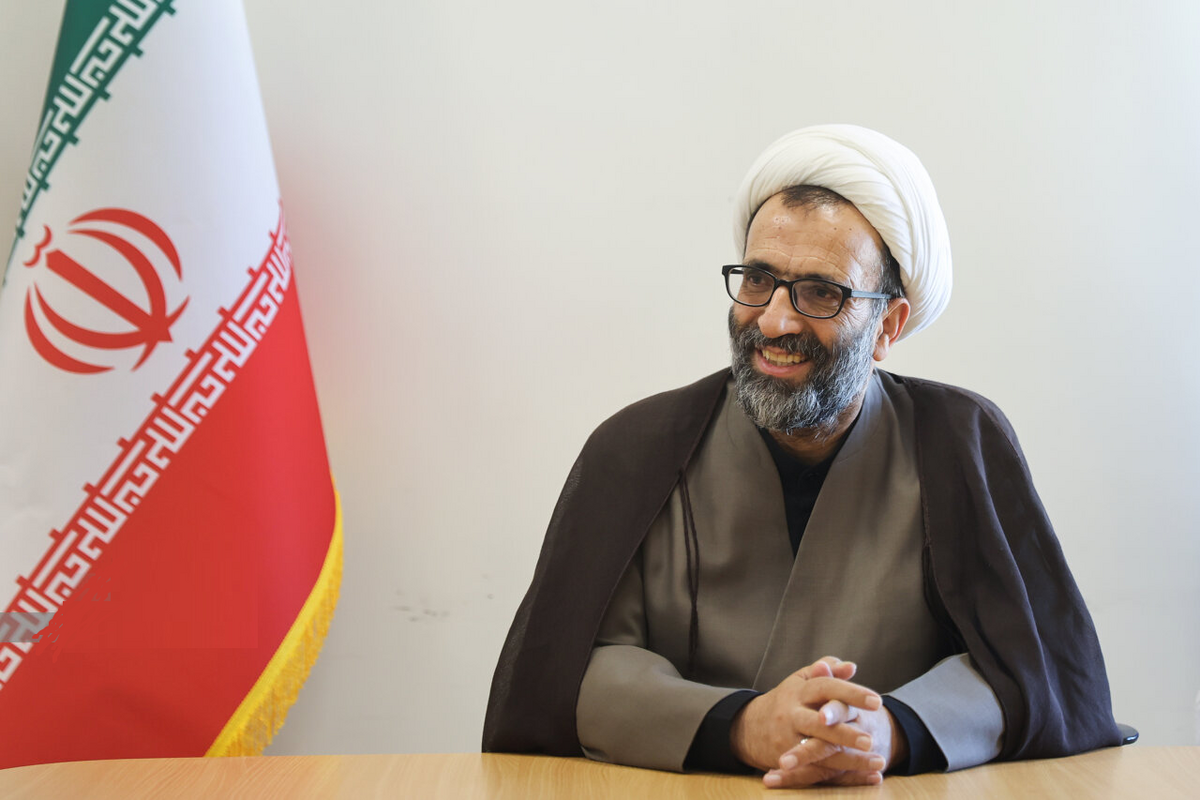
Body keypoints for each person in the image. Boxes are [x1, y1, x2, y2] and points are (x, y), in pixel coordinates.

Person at [482, 124, 1120, 788]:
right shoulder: (635, 449)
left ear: (888, 325)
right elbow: (572, 670)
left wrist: (888, 730)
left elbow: (1026, 668)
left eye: (821, 292)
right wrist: (743, 726)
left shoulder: (961, 442)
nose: (774, 320)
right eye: (759, 279)